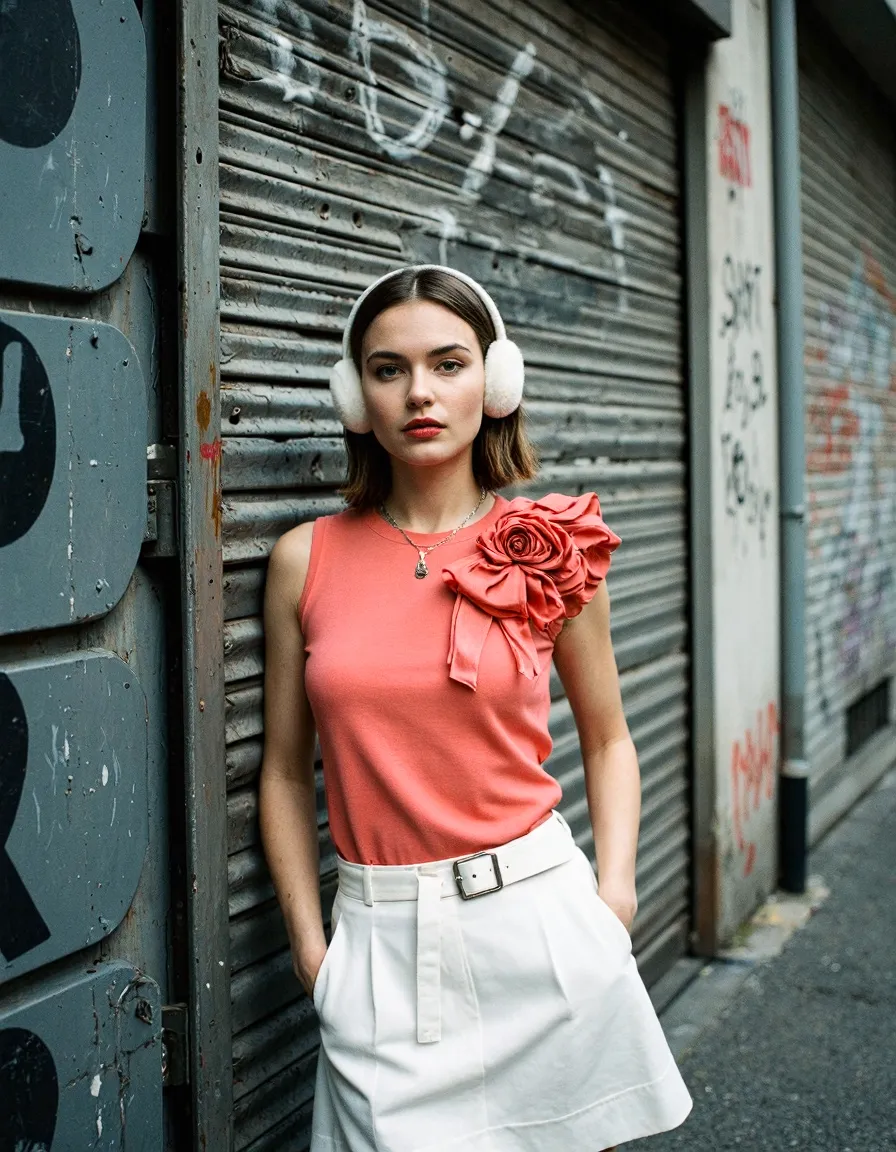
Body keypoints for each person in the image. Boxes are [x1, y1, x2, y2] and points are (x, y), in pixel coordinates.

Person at [259, 264, 693, 1151]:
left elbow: (608, 740)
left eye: (448, 363)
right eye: (388, 369)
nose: (420, 392)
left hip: (540, 927)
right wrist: (314, 950)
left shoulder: (552, 549)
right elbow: (278, 770)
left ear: (494, 384)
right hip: (380, 943)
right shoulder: (305, 560)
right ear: (356, 395)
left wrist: (613, 900)